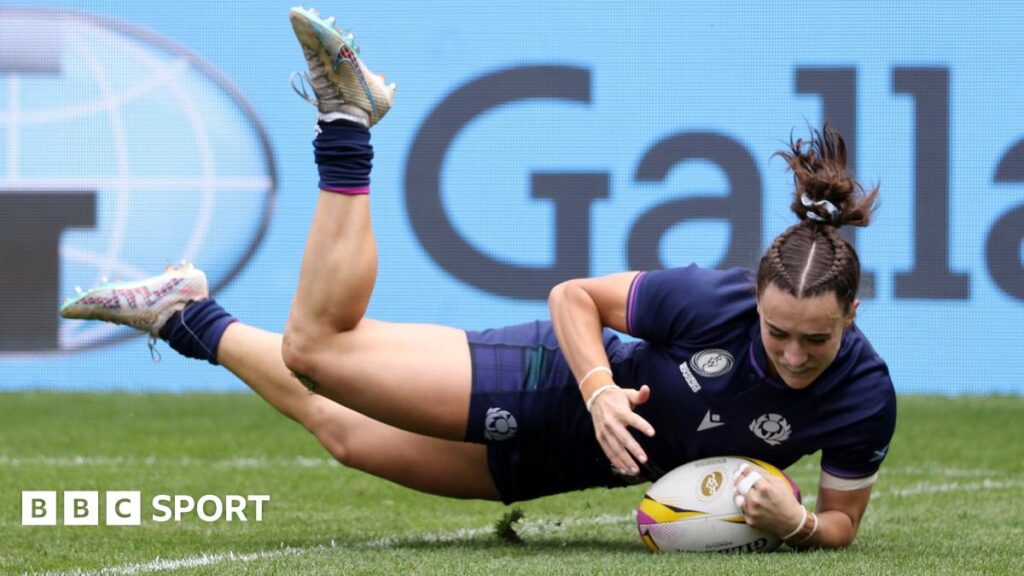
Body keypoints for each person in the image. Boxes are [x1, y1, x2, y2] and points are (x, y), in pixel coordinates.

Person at [62, 6, 895, 550]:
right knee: (316, 350)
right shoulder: (714, 300)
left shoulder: (862, 397)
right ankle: (346, 121)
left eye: (813, 339)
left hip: (559, 468)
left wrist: (795, 525)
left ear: (852, 315)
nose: (792, 353)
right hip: (545, 382)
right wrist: (601, 392)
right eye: (777, 332)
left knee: (342, 432)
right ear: (756, 301)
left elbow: (840, 525)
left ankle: (183, 315)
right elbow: (575, 297)